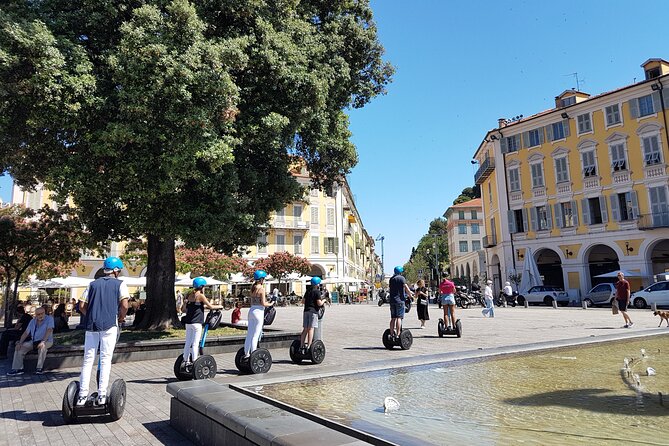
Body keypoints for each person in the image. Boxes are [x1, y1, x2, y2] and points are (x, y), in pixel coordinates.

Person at [75, 256, 129, 406]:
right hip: (110, 325)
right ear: (116, 270)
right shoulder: (120, 284)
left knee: (88, 360)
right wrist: (120, 318)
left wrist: (90, 315)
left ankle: (82, 395)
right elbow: (124, 305)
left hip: (91, 326)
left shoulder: (92, 284)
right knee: (105, 359)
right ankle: (102, 395)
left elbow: (81, 306)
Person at [181, 277, 223, 366]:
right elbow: (210, 306)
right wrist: (219, 306)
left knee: (188, 342)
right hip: (197, 323)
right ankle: (194, 362)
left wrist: (185, 303)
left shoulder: (189, 295)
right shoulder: (200, 295)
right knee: (195, 343)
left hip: (188, 323)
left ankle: (185, 361)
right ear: (201, 286)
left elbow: (185, 310)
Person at [7, 306, 54, 375]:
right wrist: (20, 342)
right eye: (38, 314)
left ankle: (39, 368)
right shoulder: (33, 321)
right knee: (19, 348)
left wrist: (43, 341)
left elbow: (49, 330)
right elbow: (26, 332)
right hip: (34, 341)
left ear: (44, 313)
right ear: (35, 315)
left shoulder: (49, 319)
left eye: (42, 313)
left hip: (47, 341)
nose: (40, 315)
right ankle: (17, 369)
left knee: (42, 347)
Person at [243, 270, 274, 358]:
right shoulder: (261, 289)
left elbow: (253, 302)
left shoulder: (252, 288)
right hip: (259, 312)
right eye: (263, 279)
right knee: (256, 335)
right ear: (261, 279)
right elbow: (263, 303)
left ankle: (246, 354)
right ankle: (254, 354)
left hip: (251, 311)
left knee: (249, 334)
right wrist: (271, 303)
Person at [300, 277, 326, 353]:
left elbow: (303, 301)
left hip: (306, 311)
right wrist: (324, 300)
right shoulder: (317, 292)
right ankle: (309, 346)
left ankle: (301, 346)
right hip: (313, 311)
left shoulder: (308, 291)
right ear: (317, 284)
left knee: (305, 329)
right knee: (311, 329)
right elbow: (319, 303)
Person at [388, 266, 414, 339]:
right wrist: (410, 295)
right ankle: (398, 334)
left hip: (392, 301)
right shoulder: (401, 278)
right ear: (400, 272)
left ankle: (391, 333)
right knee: (399, 318)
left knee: (393, 318)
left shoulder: (391, 279)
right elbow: (406, 287)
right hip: (400, 300)